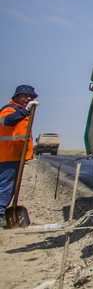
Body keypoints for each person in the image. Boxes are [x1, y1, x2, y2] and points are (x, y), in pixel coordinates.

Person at [0, 85, 38, 219]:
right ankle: (0, 212)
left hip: (15, 155)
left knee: (9, 184)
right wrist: (25, 111)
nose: (28, 98)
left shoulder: (21, 111)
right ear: (16, 96)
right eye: (25, 96)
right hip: (7, 155)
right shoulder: (10, 109)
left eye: (31, 97)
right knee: (6, 184)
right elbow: (6, 121)